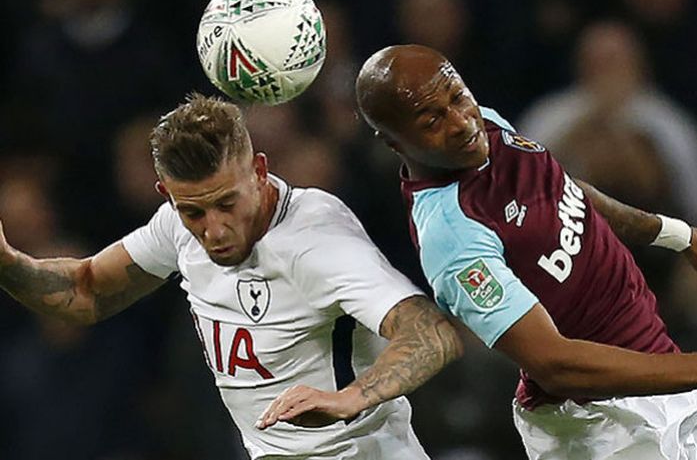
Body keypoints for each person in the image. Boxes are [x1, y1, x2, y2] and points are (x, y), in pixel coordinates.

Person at [0, 94, 464, 459]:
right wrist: (7, 263)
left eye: (227, 203)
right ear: (168, 195)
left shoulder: (315, 238)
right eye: (193, 211)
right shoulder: (176, 228)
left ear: (259, 171)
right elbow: (86, 292)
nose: (214, 230)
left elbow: (430, 334)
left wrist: (351, 397)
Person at [351, 44, 697, 459]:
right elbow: (556, 365)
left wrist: (677, 235)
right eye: (432, 120)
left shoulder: (488, 129)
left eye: (459, 97)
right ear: (393, 142)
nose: (462, 122)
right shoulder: (453, 235)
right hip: (596, 427)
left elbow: (563, 190)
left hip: (657, 371)